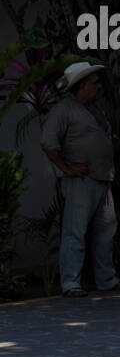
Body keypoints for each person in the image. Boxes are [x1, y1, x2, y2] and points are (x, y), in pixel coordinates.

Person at [41, 62, 118, 297]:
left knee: (105, 234)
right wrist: (66, 168)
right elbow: (47, 141)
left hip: (102, 179)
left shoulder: (94, 109)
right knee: (75, 233)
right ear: (82, 86)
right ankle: (71, 283)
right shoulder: (64, 109)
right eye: (94, 83)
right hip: (81, 182)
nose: (98, 87)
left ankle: (106, 280)